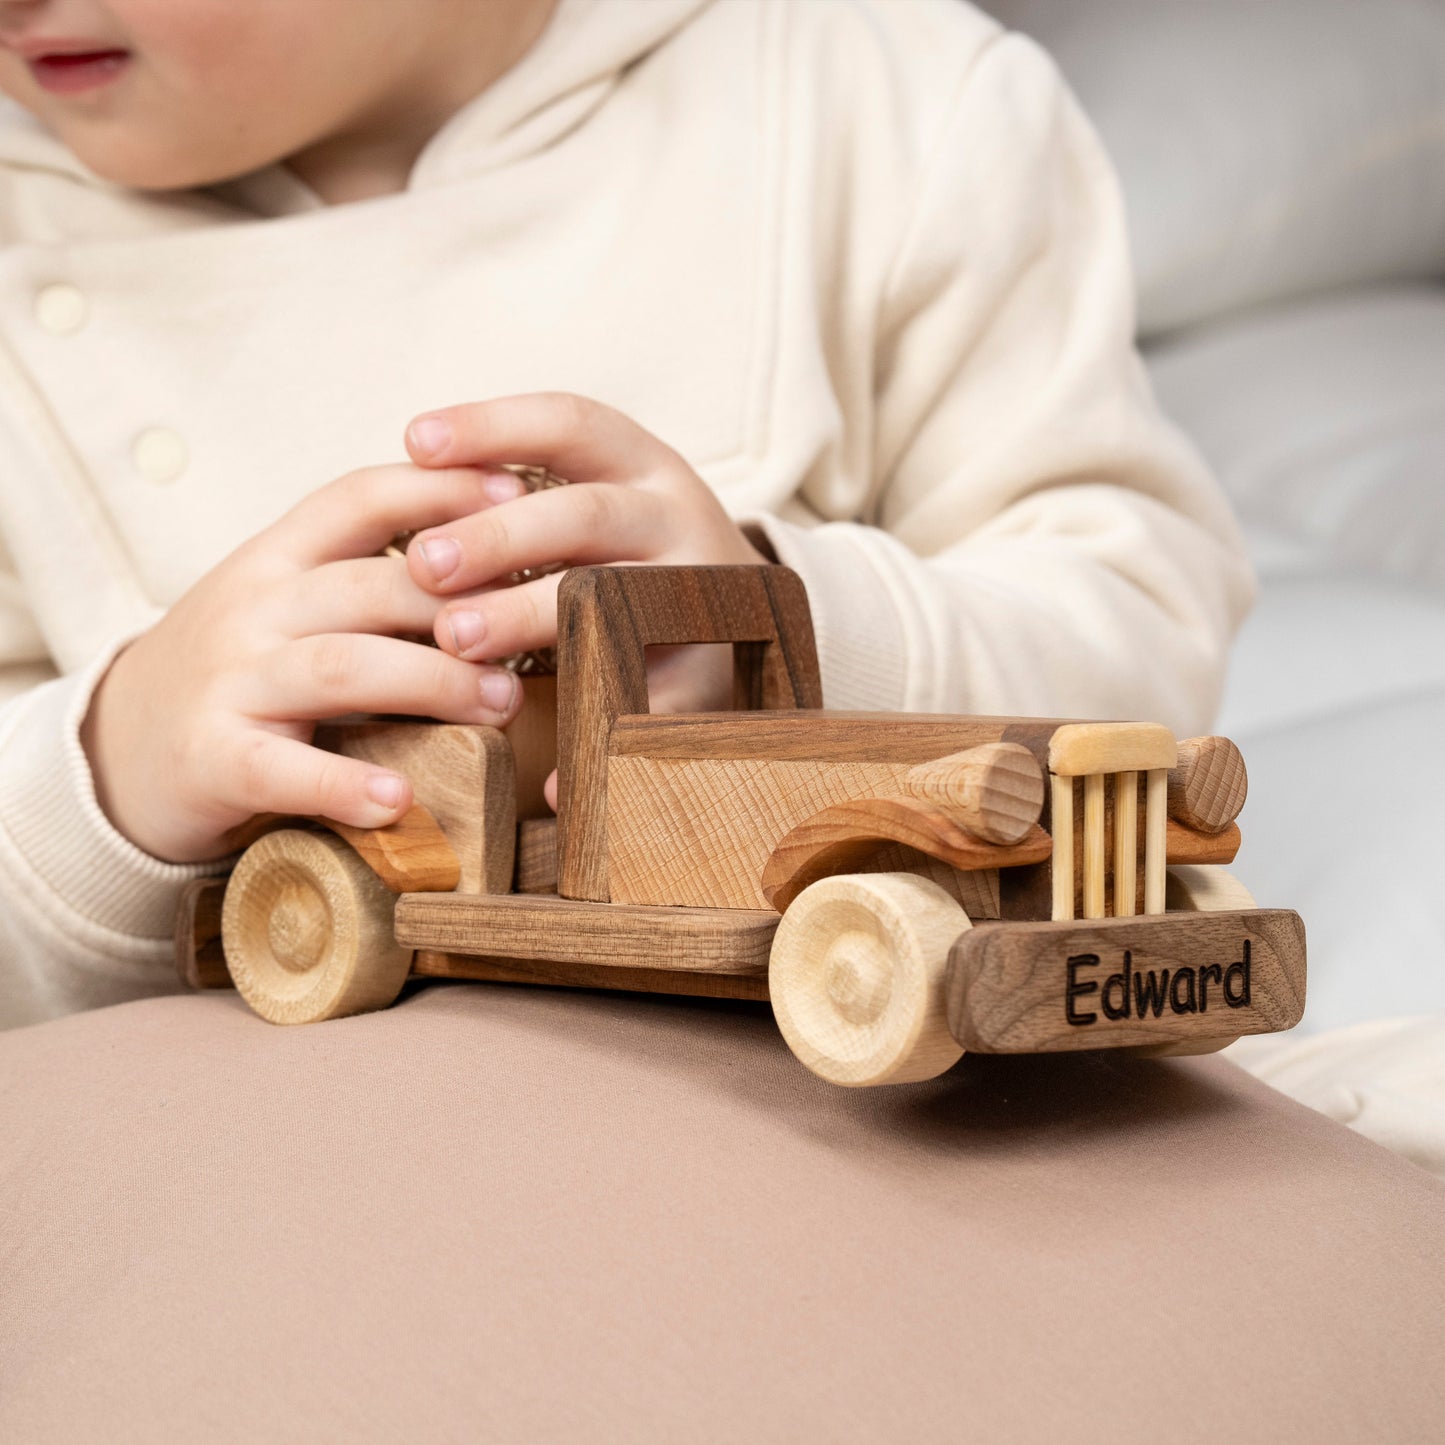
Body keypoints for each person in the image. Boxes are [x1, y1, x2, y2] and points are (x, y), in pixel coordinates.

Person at [0, 0, 1253, 1028]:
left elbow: (1136, 619)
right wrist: (106, 772)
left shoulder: (877, 106)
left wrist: (790, 634)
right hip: (271, 1147)